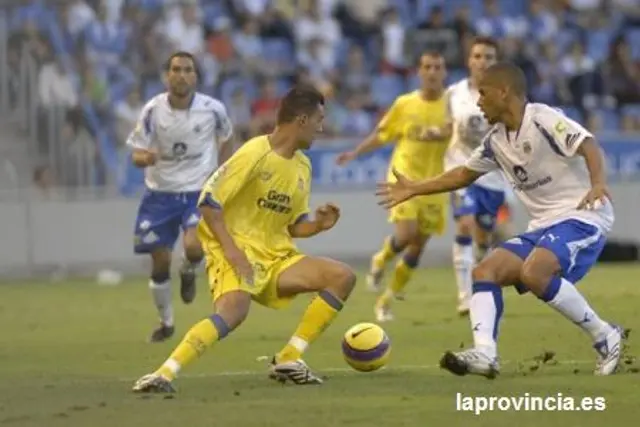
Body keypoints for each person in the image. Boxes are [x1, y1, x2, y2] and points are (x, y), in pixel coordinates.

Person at [376, 62, 623, 377]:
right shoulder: (495, 141)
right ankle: (485, 353)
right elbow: (464, 174)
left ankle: (605, 336)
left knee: (535, 272)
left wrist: (598, 183)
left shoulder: (542, 118)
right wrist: (414, 188)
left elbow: (588, 144)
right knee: (485, 270)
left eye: (484, 93)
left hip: (583, 214)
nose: (478, 101)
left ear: (504, 92)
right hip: (544, 225)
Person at [132, 85, 357, 393]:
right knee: (234, 313)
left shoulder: (303, 165)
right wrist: (232, 252)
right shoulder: (254, 152)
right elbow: (209, 203)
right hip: (233, 251)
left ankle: (289, 359)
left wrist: (317, 224)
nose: (322, 127)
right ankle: (163, 374)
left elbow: (292, 226)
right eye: (319, 119)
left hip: (276, 258)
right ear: (301, 120)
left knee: (341, 277)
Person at [336, 52, 452, 322]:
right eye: (427, 67)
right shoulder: (405, 103)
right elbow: (382, 134)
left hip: (436, 183)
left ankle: (385, 300)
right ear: (419, 72)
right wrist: (355, 152)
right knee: (407, 233)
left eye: (437, 66)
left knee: (417, 247)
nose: (432, 71)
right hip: (404, 177)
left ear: (444, 72)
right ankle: (381, 259)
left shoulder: (453, 105)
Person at [128, 51, 234, 342]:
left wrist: (221, 173)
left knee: (194, 247)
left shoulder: (213, 109)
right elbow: (136, 153)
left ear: (195, 76)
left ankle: (189, 271)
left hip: (197, 192)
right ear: (167, 76)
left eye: (188, 69)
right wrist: (147, 157)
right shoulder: (152, 110)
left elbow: (228, 138)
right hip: (159, 195)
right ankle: (166, 322)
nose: (182, 75)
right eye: (176, 69)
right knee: (160, 262)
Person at [446, 36, 511, 316]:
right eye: (478, 56)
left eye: (488, 57)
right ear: (469, 60)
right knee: (464, 225)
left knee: (484, 237)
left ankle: (480, 271)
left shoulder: (505, 95)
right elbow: (446, 125)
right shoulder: (454, 93)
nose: (482, 61)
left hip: (493, 178)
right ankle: (464, 296)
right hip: (461, 170)